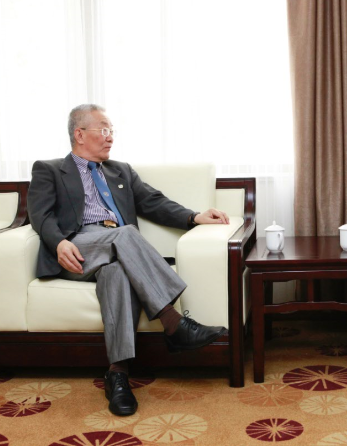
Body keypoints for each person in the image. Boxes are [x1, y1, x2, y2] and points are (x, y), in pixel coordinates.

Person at [28, 104, 230, 416]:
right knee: (125, 235)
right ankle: (173, 322)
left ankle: (118, 375)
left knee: (117, 273)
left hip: (117, 248)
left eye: (112, 131)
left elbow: (153, 202)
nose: (110, 137)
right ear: (79, 134)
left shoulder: (120, 170)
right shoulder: (49, 169)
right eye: (103, 130)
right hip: (78, 249)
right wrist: (59, 243)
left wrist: (193, 216)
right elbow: (39, 214)